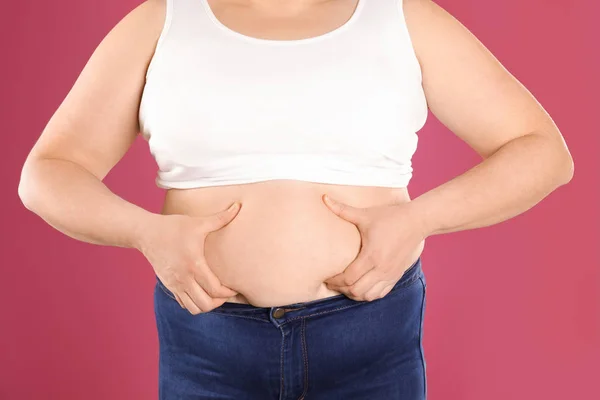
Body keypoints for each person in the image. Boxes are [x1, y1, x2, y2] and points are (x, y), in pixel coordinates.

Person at [17, 0, 574, 398]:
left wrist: (419, 219)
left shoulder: (402, 17)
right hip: (209, 342)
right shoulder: (160, 21)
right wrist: (144, 231)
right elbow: (47, 173)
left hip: (369, 338)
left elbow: (541, 152)